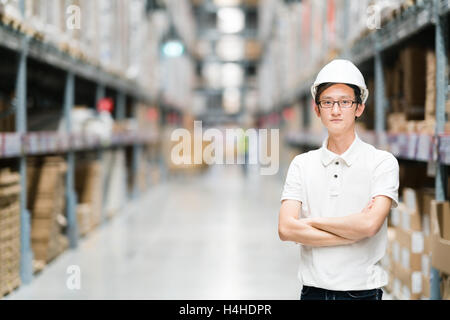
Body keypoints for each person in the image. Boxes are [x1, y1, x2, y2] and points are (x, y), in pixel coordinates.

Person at [278, 59, 399, 301]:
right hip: (313, 292)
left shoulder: (382, 163)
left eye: (344, 102)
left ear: (359, 108)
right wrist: (352, 230)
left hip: (363, 293)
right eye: (328, 102)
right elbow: (286, 228)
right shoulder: (302, 165)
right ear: (317, 109)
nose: (335, 110)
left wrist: (312, 223)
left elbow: (369, 226)